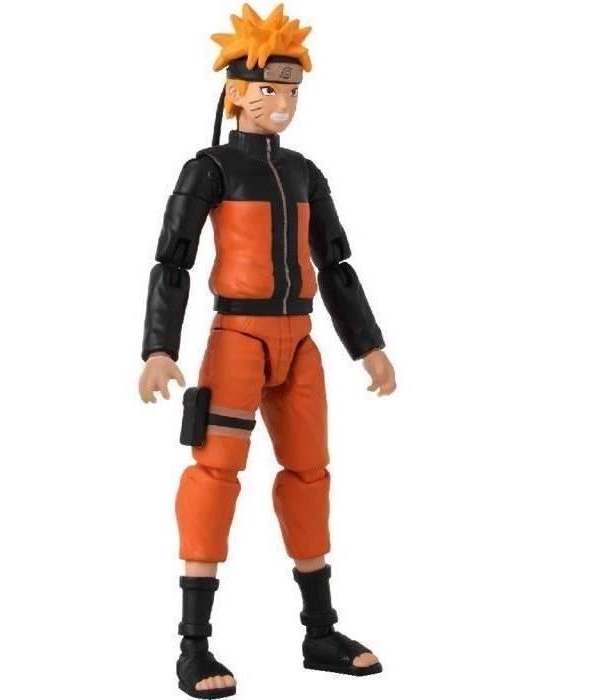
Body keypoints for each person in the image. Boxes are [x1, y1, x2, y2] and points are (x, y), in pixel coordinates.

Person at [138, 5, 396, 697]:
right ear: (235, 92)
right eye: (268, 88)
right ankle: (194, 646)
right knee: (215, 474)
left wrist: (368, 345)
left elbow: (336, 265)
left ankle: (320, 631)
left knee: (310, 474)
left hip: (300, 341)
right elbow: (173, 260)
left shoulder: (306, 173)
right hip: (238, 339)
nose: (281, 101)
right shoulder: (210, 169)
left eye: (291, 89)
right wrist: (159, 347)